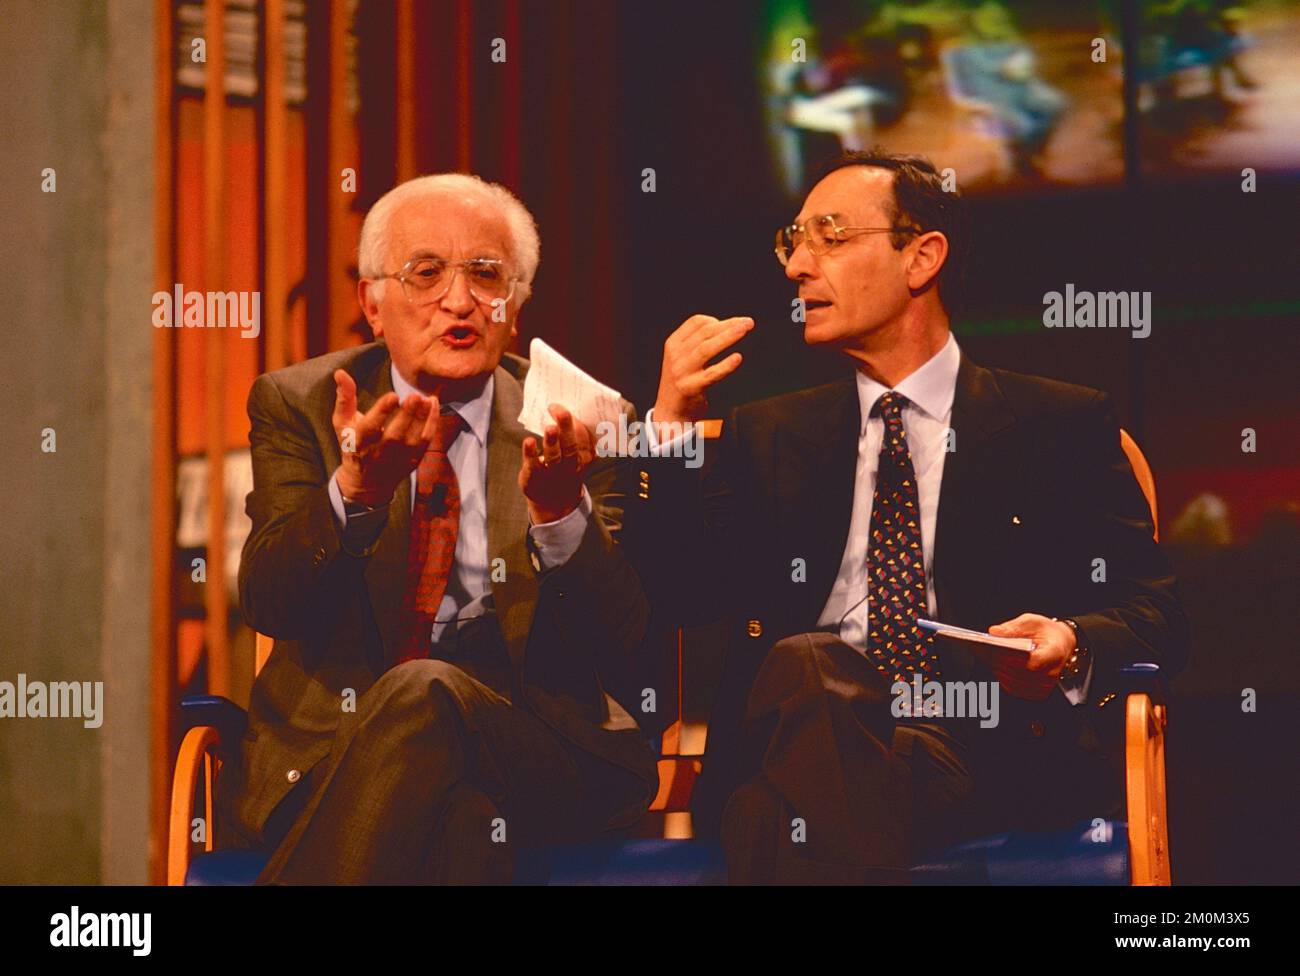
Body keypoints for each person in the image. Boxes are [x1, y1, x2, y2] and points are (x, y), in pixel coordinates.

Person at [634, 150, 1189, 883]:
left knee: (766, 819)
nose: (798, 265)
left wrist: (1069, 640)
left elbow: (1160, 613)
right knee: (809, 676)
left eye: (829, 236)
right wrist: (671, 427)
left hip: (982, 757)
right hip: (791, 744)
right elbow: (677, 592)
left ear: (921, 257)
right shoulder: (771, 434)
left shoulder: (1057, 423)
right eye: (792, 241)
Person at [216, 173, 657, 883]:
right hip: (334, 756)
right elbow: (273, 602)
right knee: (462, 830)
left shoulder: (578, 424)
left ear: (514, 305)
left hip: (538, 749)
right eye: (426, 273)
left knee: (427, 690)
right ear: (373, 302)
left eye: (486, 275)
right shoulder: (298, 404)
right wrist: (355, 495)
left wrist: (558, 513)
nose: (460, 301)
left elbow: (627, 639)